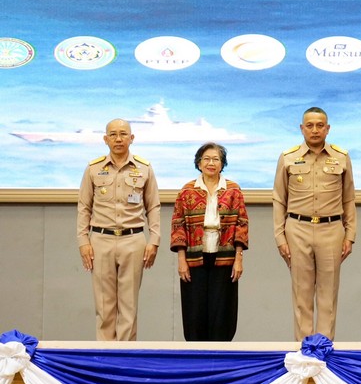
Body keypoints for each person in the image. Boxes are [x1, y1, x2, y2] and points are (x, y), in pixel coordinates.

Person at [273, 107, 356, 341]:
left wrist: (350, 235)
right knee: (302, 295)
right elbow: (279, 199)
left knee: (328, 296)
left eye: (320, 125)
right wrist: (280, 238)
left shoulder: (341, 156)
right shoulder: (288, 157)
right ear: (302, 128)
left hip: (331, 230)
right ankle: (304, 351)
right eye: (309, 125)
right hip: (297, 229)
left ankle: (323, 350)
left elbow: (349, 198)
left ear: (328, 129)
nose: (315, 130)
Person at [77, 118, 161, 341]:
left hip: (133, 240)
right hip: (100, 240)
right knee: (104, 308)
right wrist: (83, 241)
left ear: (132, 138)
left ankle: (125, 358)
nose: (118, 139)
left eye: (123, 134)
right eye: (113, 134)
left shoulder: (144, 168)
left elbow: (153, 206)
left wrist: (154, 240)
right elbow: (84, 207)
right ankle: (104, 358)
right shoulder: (94, 168)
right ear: (105, 139)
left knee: (129, 307)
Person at [170, 142, 248, 341]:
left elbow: (242, 223)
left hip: (225, 257)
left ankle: (220, 357)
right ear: (198, 163)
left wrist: (238, 258)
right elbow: (178, 225)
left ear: (222, 164)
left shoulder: (233, 190)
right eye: (206, 159)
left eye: (216, 159)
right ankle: (196, 358)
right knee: (194, 310)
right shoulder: (187, 190)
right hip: (194, 258)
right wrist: (181, 260)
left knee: (222, 310)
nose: (211, 163)